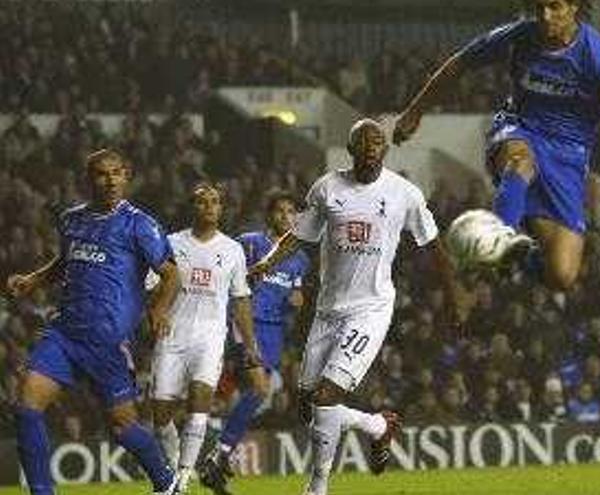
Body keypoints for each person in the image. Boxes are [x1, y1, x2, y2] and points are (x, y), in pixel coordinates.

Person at [394, 0, 600, 290]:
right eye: (538, 8)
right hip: (518, 129)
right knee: (520, 162)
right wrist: (415, 111)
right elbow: (460, 62)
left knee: (562, 275)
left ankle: (516, 253)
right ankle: (496, 244)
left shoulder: (598, 54)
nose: (544, 16)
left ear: (574, 7)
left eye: (554, 7)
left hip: (568, 155)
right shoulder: (519, 36)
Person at [249, 118, 457, 495]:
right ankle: (378, 426)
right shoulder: (327, 188)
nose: (371, 146)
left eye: (377, 141)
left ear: (386, 150)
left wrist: (454, 298)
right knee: (309, 407)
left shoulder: (404, 193)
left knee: (327, 397)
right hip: (328, 309)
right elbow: (298, 236)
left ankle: (317, 488)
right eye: (363, 141)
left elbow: (434, 245)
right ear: (351, 149)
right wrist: (267, 262)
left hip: (371, 309)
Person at [7, 149, 182, 495]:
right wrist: (33, 280)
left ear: (127, 176)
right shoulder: (72, 219)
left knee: (123, 426)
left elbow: (172, 274)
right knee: (26, 406)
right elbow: (66, 261)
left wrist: (159, 309)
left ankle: (166, 482)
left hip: (107, 340)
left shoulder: (140, 224)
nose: (111, 180)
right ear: (89, 179)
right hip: (65, 332)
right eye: (102, 174)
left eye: (117, 172)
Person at [149, 182, 263, 494]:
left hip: (210, 338)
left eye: (214, 202)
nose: (209, 207)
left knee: (200, 404)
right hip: (172, 336)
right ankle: (172, 471)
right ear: (192, 207)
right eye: (202, 202)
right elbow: (151, 285)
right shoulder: (170, 243)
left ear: (221, 208)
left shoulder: (232, 250)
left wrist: (249, 345)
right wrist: (154, 312)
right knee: (160, 415)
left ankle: (182, 479)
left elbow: (240, 299)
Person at [199, 190, 310, 494]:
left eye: (291, 212)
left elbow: (293, 295)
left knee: (259, 393)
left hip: (274, 332)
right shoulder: (250, 242)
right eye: (280, 211)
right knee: (260, 388)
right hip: (246, 322)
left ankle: (215, 450)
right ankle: (218, 453)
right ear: (269, 215)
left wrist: (295, 301)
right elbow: (223, 270)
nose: (286, 216)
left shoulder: (299, 259)